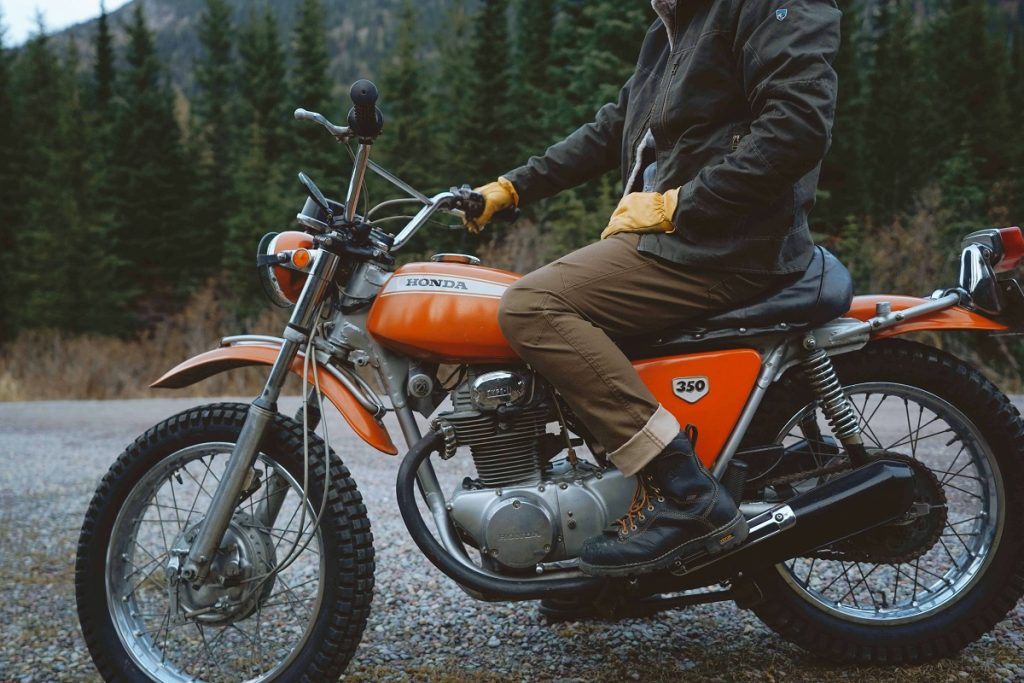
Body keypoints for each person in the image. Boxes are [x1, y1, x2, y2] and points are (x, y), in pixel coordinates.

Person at [464, 0, 842, 577]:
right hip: (688, 239)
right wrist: (512, 188)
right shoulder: (673, 30)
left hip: (729, 245)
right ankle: (609, 534)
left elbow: (796, 127)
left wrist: (678, 205)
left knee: (536, 306)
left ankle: (688, 495)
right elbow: (615, 126)